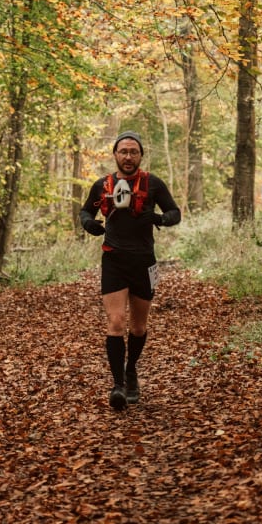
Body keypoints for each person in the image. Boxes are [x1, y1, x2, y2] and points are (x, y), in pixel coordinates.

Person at [79, 131, 181, 410]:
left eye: (133, 152)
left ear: (140, 156)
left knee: (138, 327)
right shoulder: (102, 185)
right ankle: (118, 386)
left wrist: (158, 217)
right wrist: (88, 224)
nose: (128, 156)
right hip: (114, 259)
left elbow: (175, 213)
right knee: (115, 322)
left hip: (144, 261)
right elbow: (85, 211)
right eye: (123, 151)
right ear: (115, 155)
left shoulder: (153, 183)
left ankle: (131, 369)